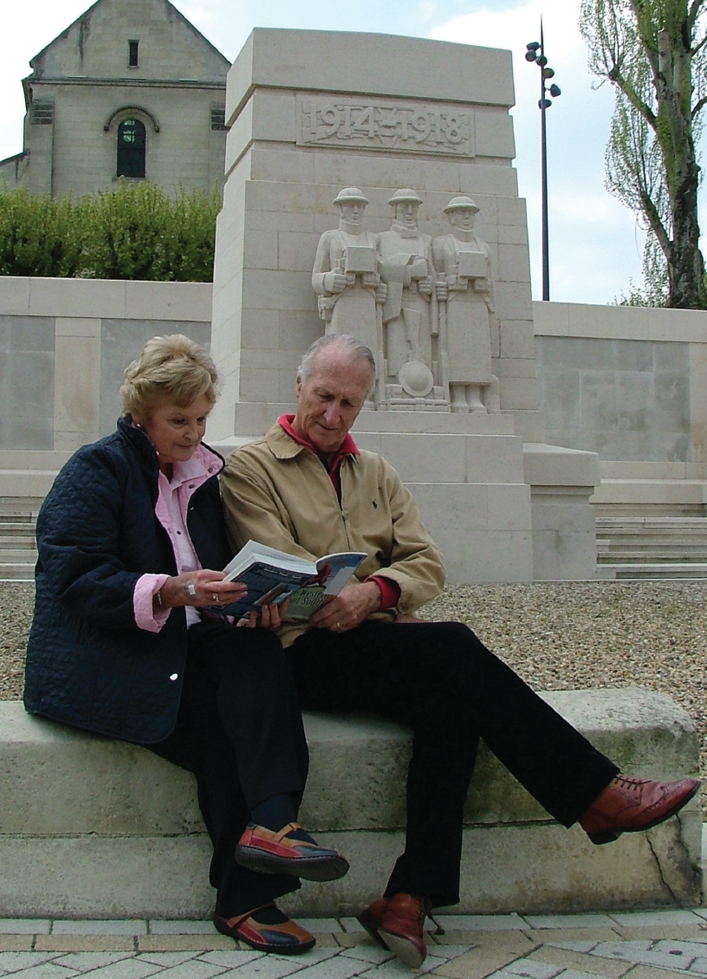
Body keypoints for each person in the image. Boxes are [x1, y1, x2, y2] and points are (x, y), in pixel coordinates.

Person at [220, 332, 700, 970]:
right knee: (450, 644)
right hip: (301, 650)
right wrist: (356, 593)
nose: (334, 416)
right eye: (325, 397)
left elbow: (427, 560)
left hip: (375, 639)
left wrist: (377, 591)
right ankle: (595, 795)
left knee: (452, 710)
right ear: (299, 387)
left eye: (351, 404)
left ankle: (408, 898)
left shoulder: (377, 472)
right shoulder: (251, 468)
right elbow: (281, 563)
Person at [23, 334, 349, 957]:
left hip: (182, 649)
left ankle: (276, 822)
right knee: (222, 737)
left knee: (259, 652)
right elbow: (72, 581)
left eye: (201, 419)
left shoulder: (205, 478)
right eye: (178, 420)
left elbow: (215, 578)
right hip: (107, 661)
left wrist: (253, 602)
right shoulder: (96, 471)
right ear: (141, 413)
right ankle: (245, 899)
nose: (193, 433)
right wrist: (170, 591)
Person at [432, 195, 499, 412]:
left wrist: (482, 285)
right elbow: (435, 275)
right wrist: (448, 283)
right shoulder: (442, 244)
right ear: (451, 217)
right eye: (462, 213)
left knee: (477, 350)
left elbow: (491, 280)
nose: (467, 217)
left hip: (477, 302)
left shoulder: (484, 247)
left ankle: (476, 396)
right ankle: (458, 395)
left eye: (470, 213)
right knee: (458, 350)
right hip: (455, 303)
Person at [311, 186, 385, 361]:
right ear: (340, 209)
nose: (356, 211)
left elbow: (383, 273)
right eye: (350, 206)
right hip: (341, 304)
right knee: (339, 357)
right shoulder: (330, 238)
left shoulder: (373, 239)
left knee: (367, 357)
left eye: (360, 206)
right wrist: (329, 280)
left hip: (367, 304)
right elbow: (316, 278)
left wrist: (378, 283)